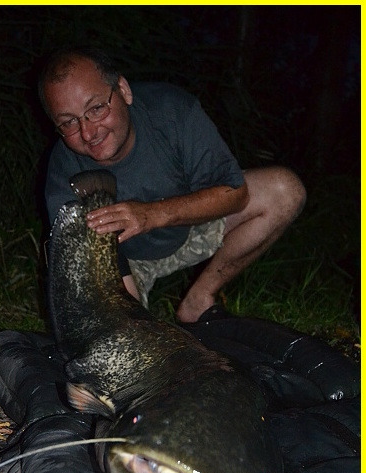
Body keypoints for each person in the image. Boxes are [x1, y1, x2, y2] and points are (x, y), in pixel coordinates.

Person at [39, 46, 306, 323]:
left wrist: (151, 214)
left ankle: (199, 300)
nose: (88, 132)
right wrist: (131, 316)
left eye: (96, 109)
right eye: (68, 123)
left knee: (284, 190)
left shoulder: (171, 110)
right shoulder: (63, 171)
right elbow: (90, 262)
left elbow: (235, 193)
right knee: (118, 330)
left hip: (190, 225)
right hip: (127, 260)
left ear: (123, 90)